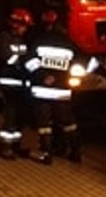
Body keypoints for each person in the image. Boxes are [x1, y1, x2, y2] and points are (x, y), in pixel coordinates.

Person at [24, 9, 91, 164]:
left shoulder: (38, 41)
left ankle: (47, 155)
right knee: (69, 123)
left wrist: (42, 76)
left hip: (41, 90)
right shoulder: (68, 43)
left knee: (44, 124)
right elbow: (87, 61)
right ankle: (75, 152)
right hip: (62, 92)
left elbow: (29, 62)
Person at [0, 7, 33, 159]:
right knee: (11, 116)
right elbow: (8, 58)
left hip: (20, 83)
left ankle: (16, 146)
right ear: (16, 24)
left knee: (20, 117)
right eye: (24, 26)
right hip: (9, 83)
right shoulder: (4, 38)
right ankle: (5, 147)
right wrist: (23, 62)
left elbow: (25, 57)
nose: (25, 30)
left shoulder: (20, 39)